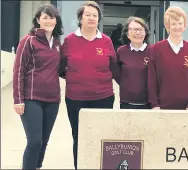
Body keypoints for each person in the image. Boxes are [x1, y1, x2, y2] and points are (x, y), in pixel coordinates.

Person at [58, 1, 119, 169]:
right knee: (79, 137)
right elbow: (60, 67)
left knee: (101, 136)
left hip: (104, 97)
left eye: (95, 15)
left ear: (99, 19)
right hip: (76, 98)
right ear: (80, 18)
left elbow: (114, 68)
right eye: (88, 15)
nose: (92, 18)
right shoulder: (69, 41)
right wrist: (75, 77)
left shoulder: (106, 41)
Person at [12, 4, 63, 169]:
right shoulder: (28, 41)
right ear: (38, 20)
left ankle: (36, 166)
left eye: (52, 17)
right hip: (31, 98)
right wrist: (18, 99)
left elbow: (61, 69)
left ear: (57, 20)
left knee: (44, 141)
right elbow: (18, 71)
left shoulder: (56, 43)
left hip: (53, 100)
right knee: (35, 141)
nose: (49, 20)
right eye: (45, 17)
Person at [148, 6, 188, 110]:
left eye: (180, 23)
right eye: (173, 23)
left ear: (185, 25)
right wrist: (154, 104)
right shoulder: (156, 49)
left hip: (187, 109)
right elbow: (151, 80)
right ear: (167, 26)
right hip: (161, 108)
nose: (177, 27)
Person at [117, 16, 151, 109]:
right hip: (126, 102)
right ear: (127, 34)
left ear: (146, 33)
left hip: (148, 103)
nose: (138, 33)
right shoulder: (121, 51)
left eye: (140, 29)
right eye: (134, 30)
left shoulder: (153, 51)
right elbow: (117, 74)